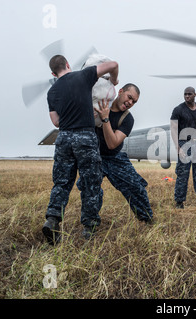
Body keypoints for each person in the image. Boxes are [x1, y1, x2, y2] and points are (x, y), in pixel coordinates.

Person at [43, 54, 119, 244]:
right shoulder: (83, 76)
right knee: (90, 183)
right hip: (85, 136)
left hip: (64, 139)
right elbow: (113, 65)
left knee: (61, 183)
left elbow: (56, 121)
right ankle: (88, 228)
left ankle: (52, 219)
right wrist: (115, 80)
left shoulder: (51, 92)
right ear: (68, 64)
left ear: (53, 72)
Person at [92, 83, 154, 225]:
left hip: (115, 157)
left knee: (136, 187)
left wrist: (105, 119)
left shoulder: (128, 119)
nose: (130, 103)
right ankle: (90, 224)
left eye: (134, 101)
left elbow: (112, 144)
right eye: (129, 97)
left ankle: (147, 221)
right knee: (90, 189)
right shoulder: (99, 105)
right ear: (120, 92)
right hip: (95, 157)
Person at [170, 87, 196, 209]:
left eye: (189, 94)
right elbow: (173, 128)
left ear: (195, 94)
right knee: (183, 174)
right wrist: (178, 147)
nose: (187, 96)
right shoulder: (178, 109)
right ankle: (179, 203)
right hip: (184, 143)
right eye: (185, 94)